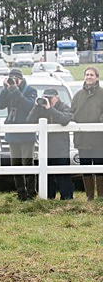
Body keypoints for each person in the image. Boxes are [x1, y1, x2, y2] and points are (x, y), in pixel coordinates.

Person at [0, 68, 38, 201]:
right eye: (11, 79)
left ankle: (31, 193)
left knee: (27, 163)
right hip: (13, 132)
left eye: (16, 79)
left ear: (21, 79)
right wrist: (5, 89)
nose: (14, 81)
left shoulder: (31, 90)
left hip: (26, 133)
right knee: (16, 163)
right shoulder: (9, 90)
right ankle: (21, 193)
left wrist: (15, 90)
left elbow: (29, 106)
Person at [27, 88, 73, 200]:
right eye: (45, 97)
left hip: (61, 146)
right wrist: (36, 106)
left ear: (57, 97)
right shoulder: (40, 108)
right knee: (47, 175)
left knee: (63, 173)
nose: (48, 99)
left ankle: (66, 198)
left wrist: (50, 108)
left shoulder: (63, 106)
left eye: (50, 97)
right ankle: (49, 197)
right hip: (45, 146)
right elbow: (29, 121)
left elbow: (65, 120)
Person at [71, 66, 103, 200]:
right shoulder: (78, 95)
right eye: (87, 75)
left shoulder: (102, 94)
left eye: (92, 75)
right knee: (85, 167)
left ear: (97, 78)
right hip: (82, 139)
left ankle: (101, 196)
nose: (89, 77)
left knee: (99, 167)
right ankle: (89, 197)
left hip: (98, 139)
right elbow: (71, 113)